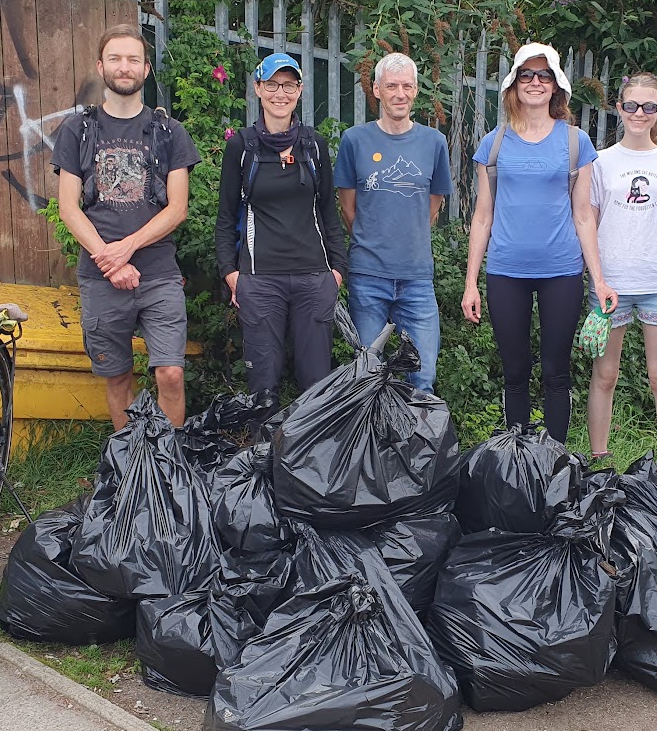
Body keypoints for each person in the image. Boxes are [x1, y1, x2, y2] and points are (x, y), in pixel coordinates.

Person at [461, 43, 610, 446]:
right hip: (505, 270)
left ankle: (555, 460)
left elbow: (584, 216)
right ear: (513, 83)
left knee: (555, 371)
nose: (535, 82)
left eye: (544, 76)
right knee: (515, 371)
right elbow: (482, 217)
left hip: (561, 271)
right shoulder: (493, 144)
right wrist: (471, 283)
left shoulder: (575, 142)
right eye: (526, 74)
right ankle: (519, 461)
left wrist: (598, 279)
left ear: (556, 87)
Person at [52, 24, 199, 430]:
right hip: (100, 277)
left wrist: (126, 249)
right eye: (115, 58)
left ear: (146, 70)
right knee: (117, 376)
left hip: (158, 275)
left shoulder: (170, 133)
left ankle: (169, 467)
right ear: (101, 66)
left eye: (133, 59)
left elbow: (178, 209)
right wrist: (111, 262)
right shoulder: (77, 130)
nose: (124, 67)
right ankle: (132, 466)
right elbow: (68, 208)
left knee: (170, 373)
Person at [214, 53, 347, 402]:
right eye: (271, 84)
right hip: (259, 281)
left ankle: (313, 455)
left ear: (300, 90)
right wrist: (231, 272)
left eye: (288, 85)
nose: (280, 93)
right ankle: (263, 455)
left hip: (313, 279)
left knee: (316, 385)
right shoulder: (242, 146)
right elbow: (226, 216)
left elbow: (327, 212)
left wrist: (337, 271)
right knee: (263, 385)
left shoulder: (313, 145)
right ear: (257, 88)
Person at [333, 52, 452, 391]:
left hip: (416, 278)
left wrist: (406, 240)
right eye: (392, 86)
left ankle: (416, 444)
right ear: (376, 90)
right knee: (369, 377)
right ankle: (374, 444)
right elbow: (348, 209)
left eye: (407, 86)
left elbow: (432, 207)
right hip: (368, 276)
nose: (400, 93)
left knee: (423, 376)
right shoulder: (354, 141)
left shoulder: (434, 143)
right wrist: (376, 242)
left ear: (416, 91)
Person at [585, 73, 657, 469]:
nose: (638, 113)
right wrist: (596, 277)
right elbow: (588, 221)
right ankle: (598, 459)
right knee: (604, 374)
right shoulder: (601, 161)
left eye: (648, 106)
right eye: (631, 105)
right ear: (618, 108)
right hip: (609, 283)